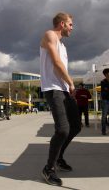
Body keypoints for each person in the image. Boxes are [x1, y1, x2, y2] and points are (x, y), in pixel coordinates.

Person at [40, 12, 81, 186]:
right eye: (70, 24)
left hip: (63, 89)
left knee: (76, 126)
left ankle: (58, 157)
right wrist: (71, 83)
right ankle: (48, 169)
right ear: (62, 24)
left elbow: (61, 66)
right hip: (53, 89)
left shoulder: (63, 45)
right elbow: (56, 63)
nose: (72, 27)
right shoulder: (50, 35)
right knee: (63, 130)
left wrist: (68, 86)